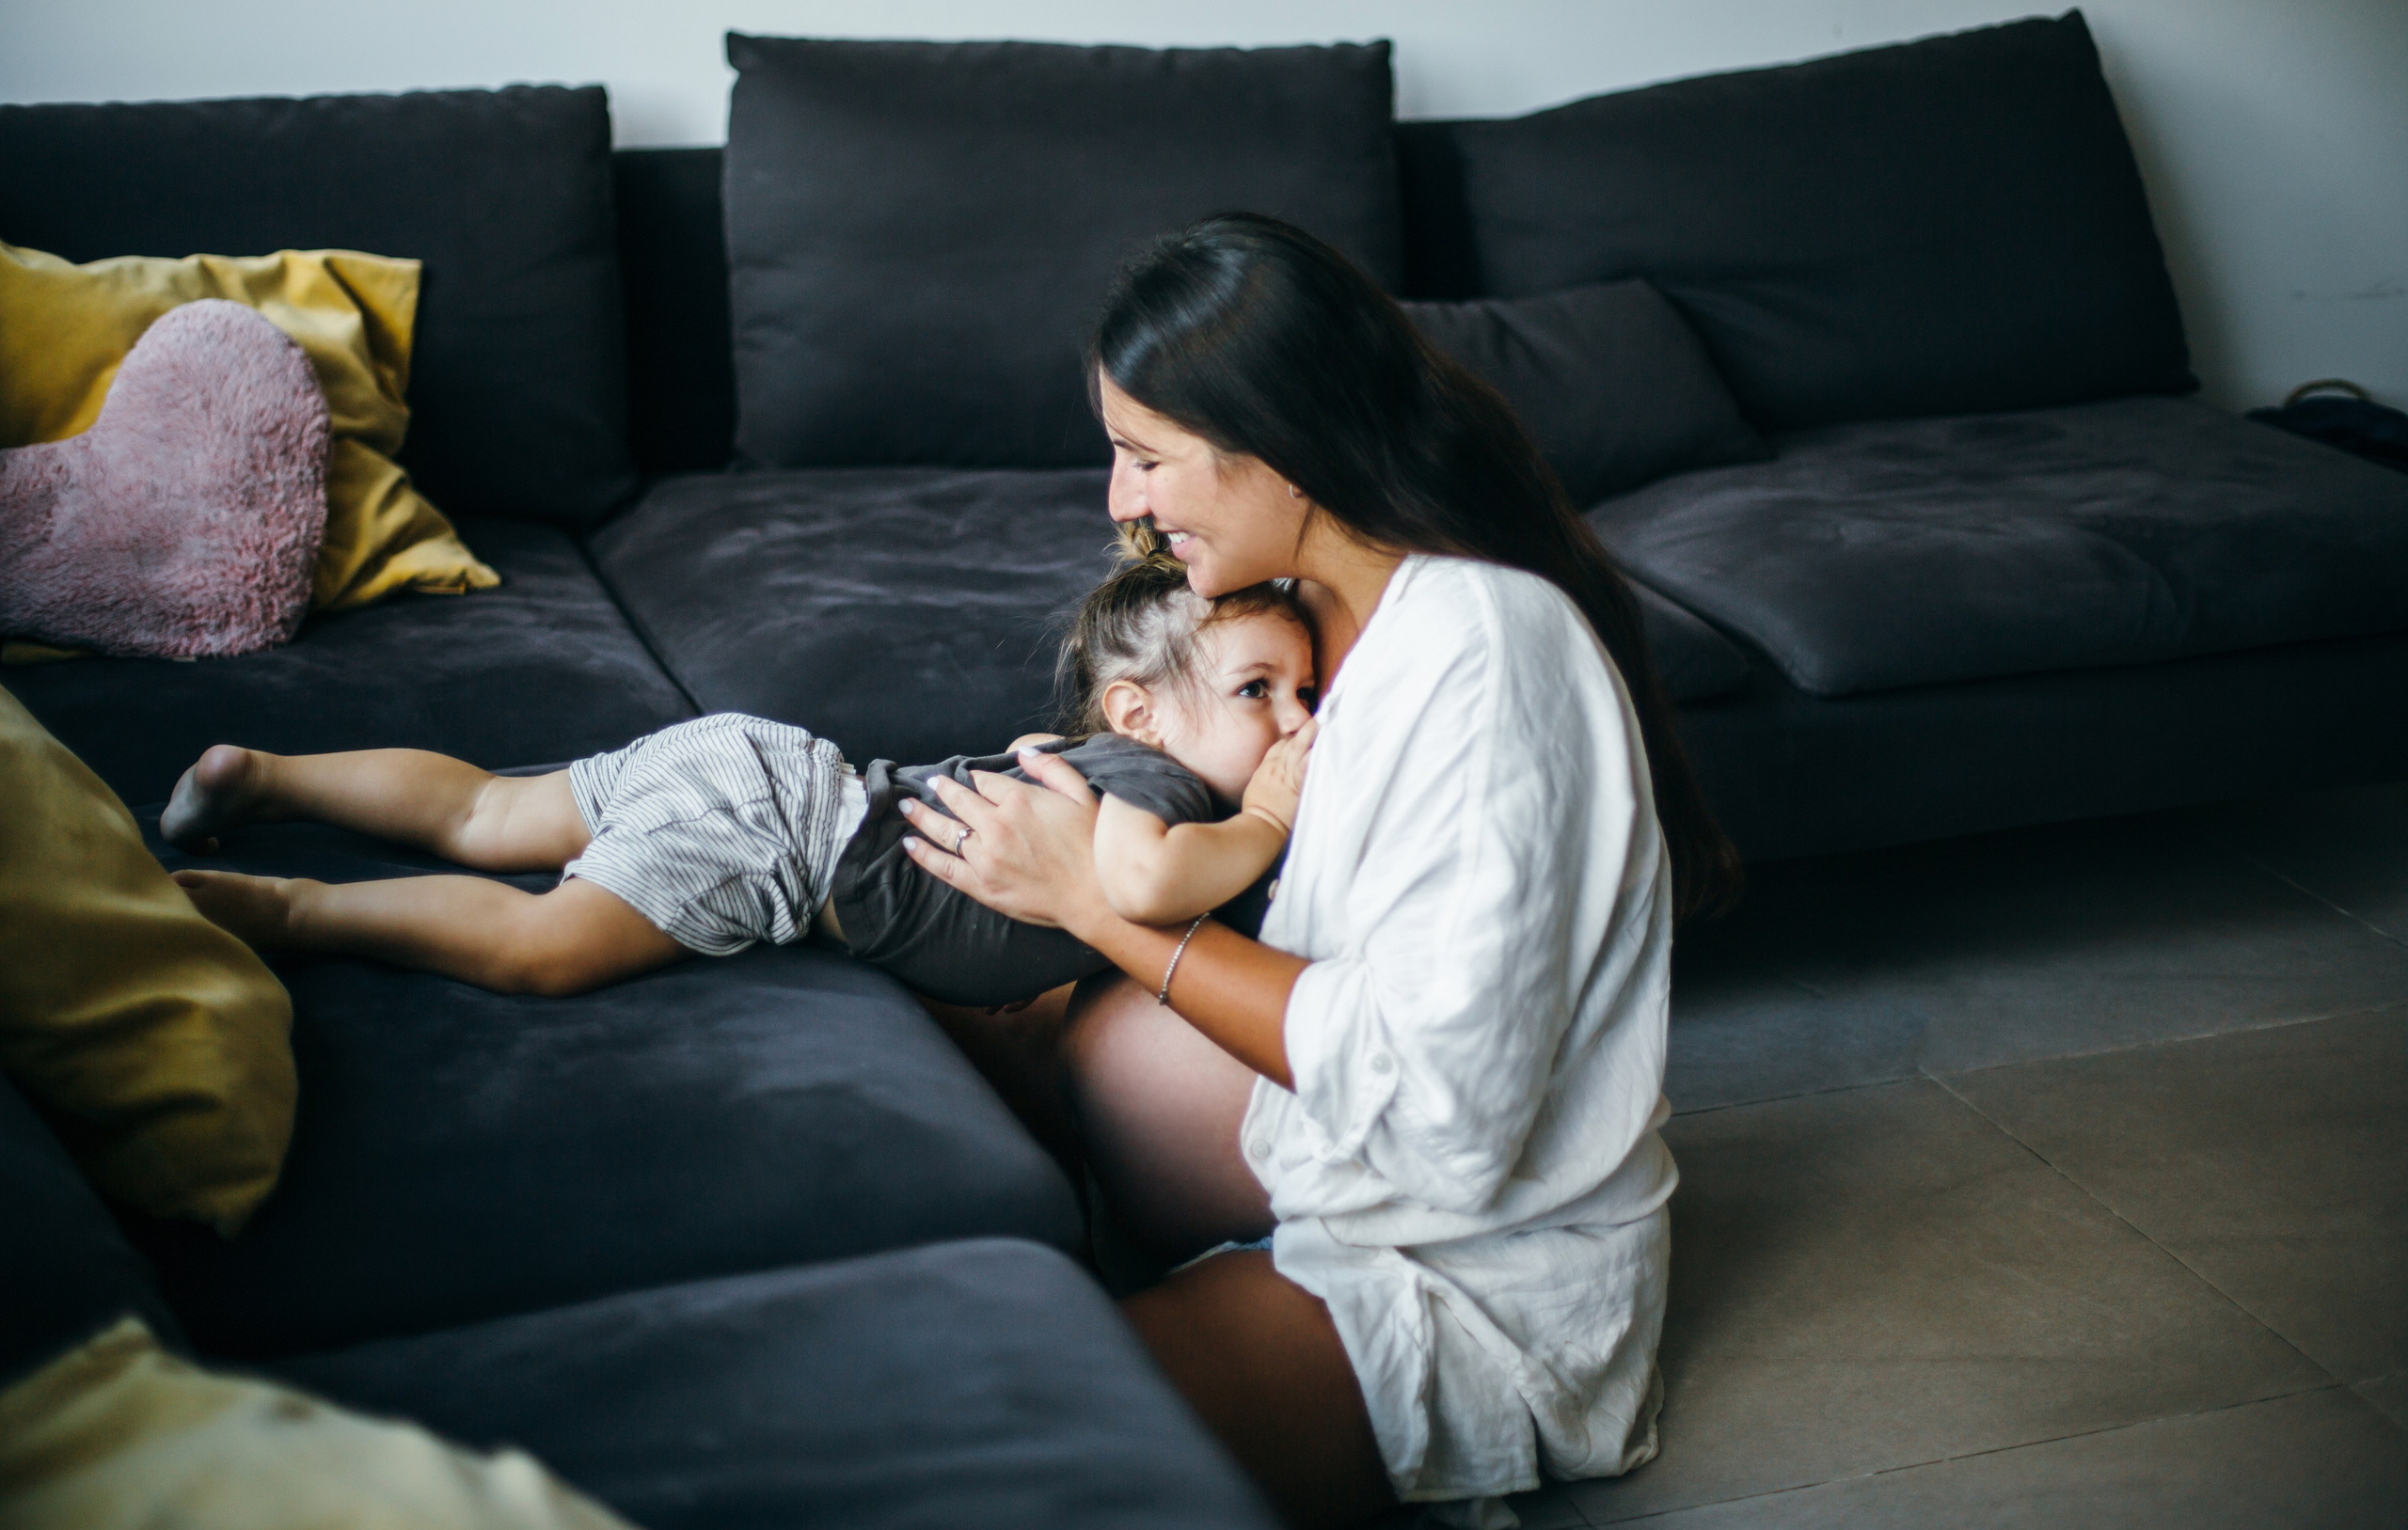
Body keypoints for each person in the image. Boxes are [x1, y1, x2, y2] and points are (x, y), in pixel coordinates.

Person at [891, 213, 1742, 1529]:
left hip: (1462, 1261)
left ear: (1279, 442)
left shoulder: (1481, 656)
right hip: (1307, 1139)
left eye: (1144, 458)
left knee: (1017, 1437)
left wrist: (1101, 911)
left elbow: (1449, 1112)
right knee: (912, 981)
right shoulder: (1307, 611)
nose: (1119, 501)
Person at [159, 551, 1318, 1005]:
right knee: (540, 946)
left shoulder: (1099, 761)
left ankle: (265, 777)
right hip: (780, 845)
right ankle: (294, 911)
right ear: (1136, 712)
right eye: (1257, 691)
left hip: (764, 764)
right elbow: (1144, 884)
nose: (1295, 721)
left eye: (1308, 692)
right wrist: (1265, 819)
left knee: (482, 807)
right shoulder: (1163, 791)